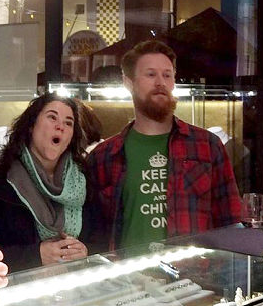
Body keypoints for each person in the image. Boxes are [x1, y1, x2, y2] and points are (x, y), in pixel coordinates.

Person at [83, 40, 241, 253]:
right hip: (128, 272)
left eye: (167, 75)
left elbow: (231, 222)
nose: (160, 82)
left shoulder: (207, 145)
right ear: (128, 82)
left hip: (194, 272)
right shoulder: (104, 156)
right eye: (150, 74)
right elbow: (92, 234)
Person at [0, 93, 89, 272]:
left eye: (68, 123)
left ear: (71, 137)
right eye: (52, 117)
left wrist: (85, 251)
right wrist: (36, 255)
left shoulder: (83, 183)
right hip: (16, 287)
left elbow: (101, 238)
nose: (60, 126)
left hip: (73, 285)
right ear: (31, 126)